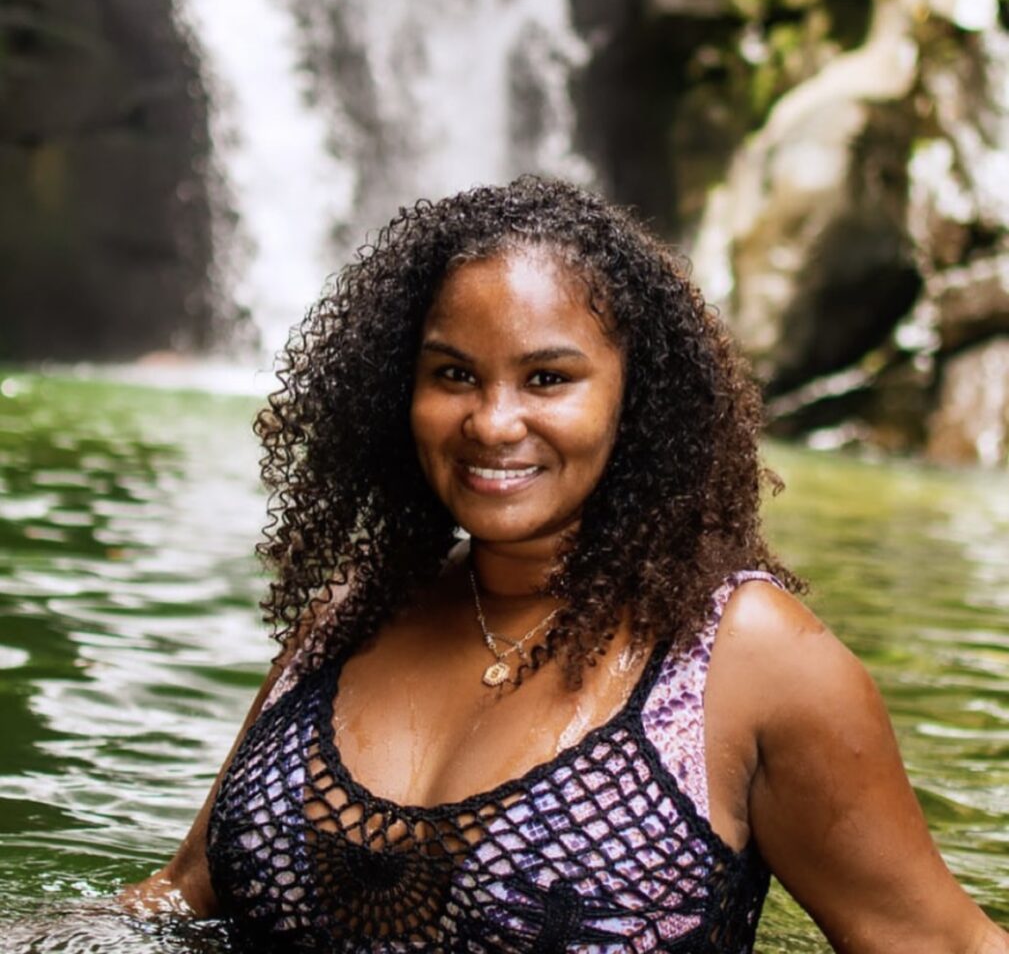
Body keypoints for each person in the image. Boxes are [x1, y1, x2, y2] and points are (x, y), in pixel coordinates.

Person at [122, 176, 1008, 952]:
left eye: (548, 379)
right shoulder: (353, 617)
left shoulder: (750, 661)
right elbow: (181, 898)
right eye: (453, 375)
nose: (493, 422)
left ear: (637, 398)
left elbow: (939, 943)